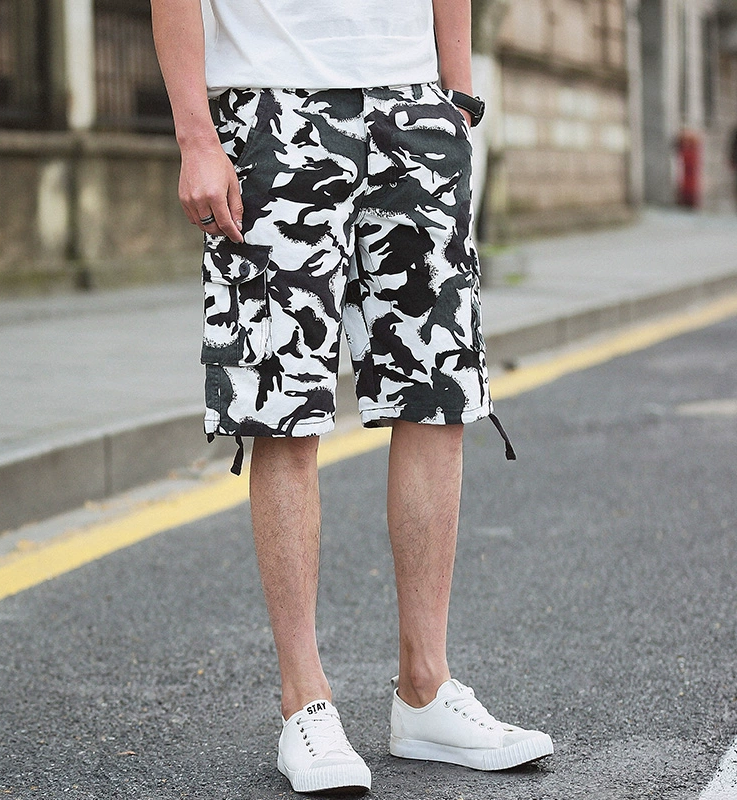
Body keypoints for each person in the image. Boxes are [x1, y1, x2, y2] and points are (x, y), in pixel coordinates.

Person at [151, 0, 553, 792]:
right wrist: (196, 136)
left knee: (436, 393)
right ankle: (305, 704)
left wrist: (457, 95)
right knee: (283, 407)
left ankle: (426, 691)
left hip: (415, 111)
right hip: (271, 108)